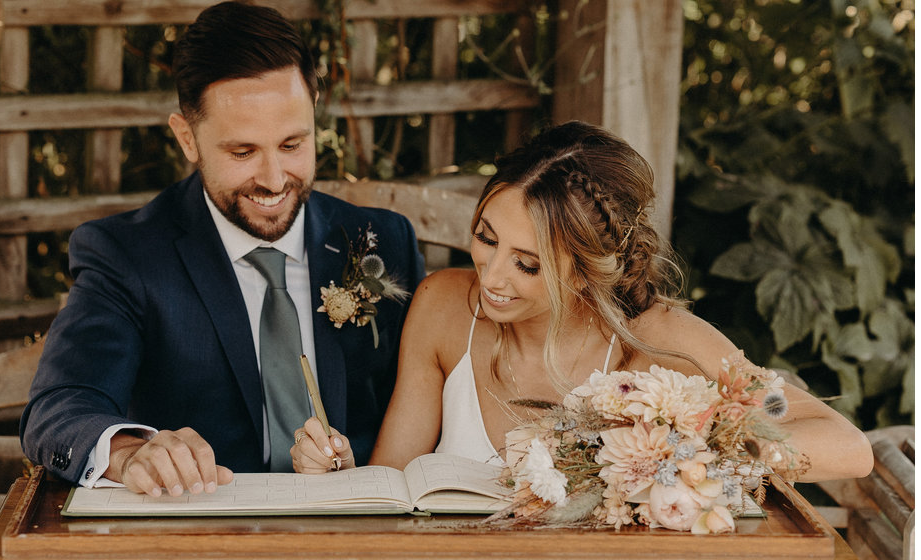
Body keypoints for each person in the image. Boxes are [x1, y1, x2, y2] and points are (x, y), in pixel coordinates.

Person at [292, 121, 873, 483]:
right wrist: (336, 469)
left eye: (528, 264)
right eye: (486, 238)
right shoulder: (443, 308)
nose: (491, 277)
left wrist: (683, 454)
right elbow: (391, 480)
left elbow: (845, 447)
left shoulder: (664, 341)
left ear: (587, 267)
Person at [20, 1, 424, 497]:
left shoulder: (384, 244)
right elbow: (58, 407)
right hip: (205, 534)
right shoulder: (126, 254)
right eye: (243, 152)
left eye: (293, 144)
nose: (275, 180)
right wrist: (128, 454)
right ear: (187, 137)